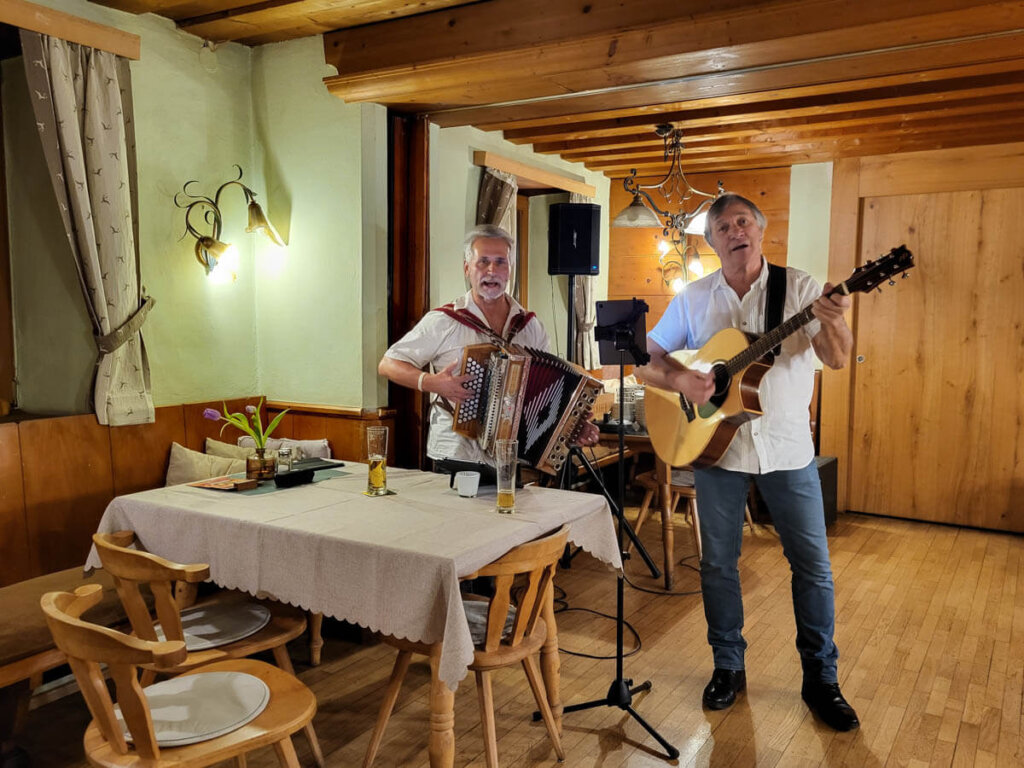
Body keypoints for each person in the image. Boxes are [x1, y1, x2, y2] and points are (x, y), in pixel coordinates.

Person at [637, 193, 859, 731]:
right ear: (711, 242)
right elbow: (647, 357)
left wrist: (833, 319)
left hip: (787, 450)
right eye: (722, 226)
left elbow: (836, 358)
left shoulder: (802, 289)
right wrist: (679, 378)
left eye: (743, 222)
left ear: (760, 232)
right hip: (717, 451)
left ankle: (821, 678)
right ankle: (727, 667)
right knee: (717, 566)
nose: (735, 231)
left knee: (813, 568)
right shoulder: (692, 298)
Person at [379, 224, 598, 466]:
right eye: (482, 262)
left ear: (510, 270)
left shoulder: (529, 325)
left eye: (500, 262)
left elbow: (548, 393)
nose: (491, 270)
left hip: (511, 456)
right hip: (456, 451)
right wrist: (431, 382)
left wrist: (572, 425)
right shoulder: (444, 320)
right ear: (467, 269)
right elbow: (388, 364)